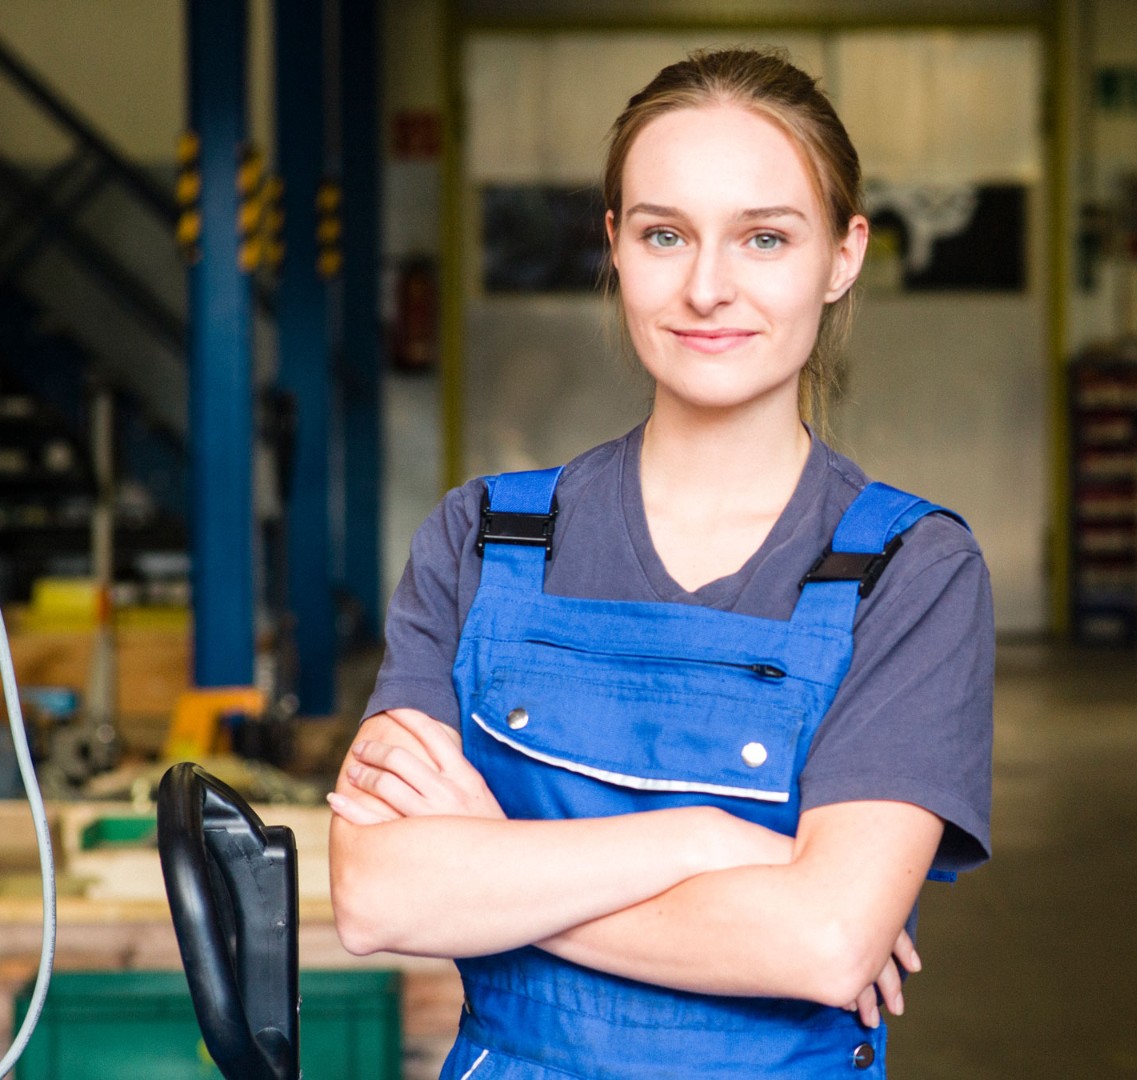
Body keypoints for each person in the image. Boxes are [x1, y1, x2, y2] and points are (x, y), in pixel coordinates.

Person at [328, 47, 993, 1079]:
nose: (706, 287)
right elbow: (379, 896)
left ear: (843, 257)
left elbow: (823, 944)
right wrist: (706, 839)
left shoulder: (911, 571)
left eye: (764, 237)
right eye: (664, 234)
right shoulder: (483, 539)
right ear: (616, 246)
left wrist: (490, 870)